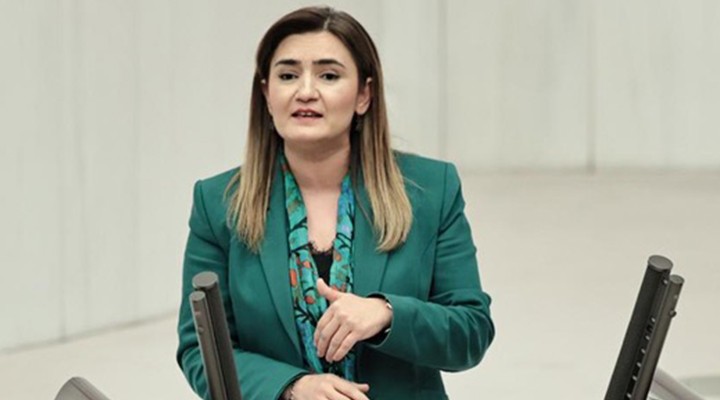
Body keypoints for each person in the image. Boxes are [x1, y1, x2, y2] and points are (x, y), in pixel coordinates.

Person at [176, 6, 494, 400]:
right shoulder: (217, 203)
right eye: (288, 75)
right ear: (266, 94)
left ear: (364, 95)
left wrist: (387, 314)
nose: (306, 91)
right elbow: (200, 351)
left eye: (328, 75)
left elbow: (470, 332)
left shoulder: (431, 189)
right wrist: (291, 387)